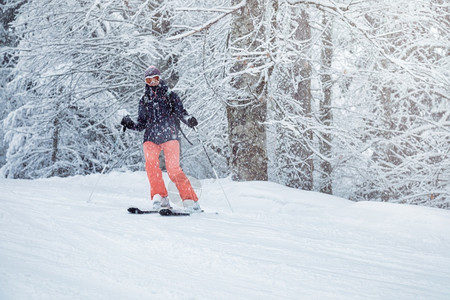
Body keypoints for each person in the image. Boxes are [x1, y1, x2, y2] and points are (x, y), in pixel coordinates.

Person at [121, 66, 201, 213]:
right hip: (151, 137)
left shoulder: (170, 96)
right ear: (145, 81)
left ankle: (190, 200)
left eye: (155, 79)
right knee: (151, 166)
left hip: (169, 134)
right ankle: (161, 196)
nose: (152, 82)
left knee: (173, 169)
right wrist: (129, 123)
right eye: (149, 80)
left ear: (160, 78)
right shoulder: (144, 100)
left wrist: (189, 120)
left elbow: (181, 112)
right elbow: (141, 124)